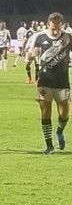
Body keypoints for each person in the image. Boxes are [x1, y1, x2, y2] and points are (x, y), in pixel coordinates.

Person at [27, 12, 71, 154]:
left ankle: (59, 131)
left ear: (62, 25)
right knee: (46, 112)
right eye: (53, 28)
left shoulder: (68, 37)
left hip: (62, 81)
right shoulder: (39, 37)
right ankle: (49, 146)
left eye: (58, 28)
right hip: (44, 80)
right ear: (48, 25)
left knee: (64, 113)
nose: (56, 31)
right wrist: (31, 55)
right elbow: (30, 53)